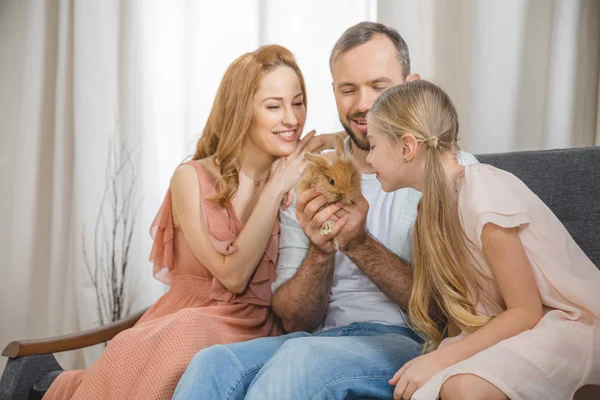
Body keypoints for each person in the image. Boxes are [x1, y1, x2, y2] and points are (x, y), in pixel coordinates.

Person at [174, 22, 478, 400]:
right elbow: (292, 318)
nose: (364, 104)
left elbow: (443, 311)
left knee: (302, 359)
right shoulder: (316, 175)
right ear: (333, 91)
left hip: (408, 342)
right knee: (213, 364)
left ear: (410, 85)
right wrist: (320, 252)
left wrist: (358, 243)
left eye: (379, 86)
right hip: (320, 338)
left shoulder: (449, 173)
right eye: (348, 89)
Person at [43, 44, 326, 400]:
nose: (292, 119)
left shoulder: (299, 170)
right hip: (186, 317)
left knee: (180, 339)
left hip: (253, 326)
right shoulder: (191, 178)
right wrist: (273, 189)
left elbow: (360, 142)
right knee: (139, 345)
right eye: (274, 106)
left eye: (297, 102)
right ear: (241, 111)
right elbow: (232, 275)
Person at [366, 80, 600, 399]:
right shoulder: (428, 215)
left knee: (462, 387)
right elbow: (462, 313)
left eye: (372, 145)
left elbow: (526, 311)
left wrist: (441, 359)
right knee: (421, 390)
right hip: (514, 331)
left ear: (406, 147)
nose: (368, 160)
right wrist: (438, 358)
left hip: (566, 324)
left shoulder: (483, 191)